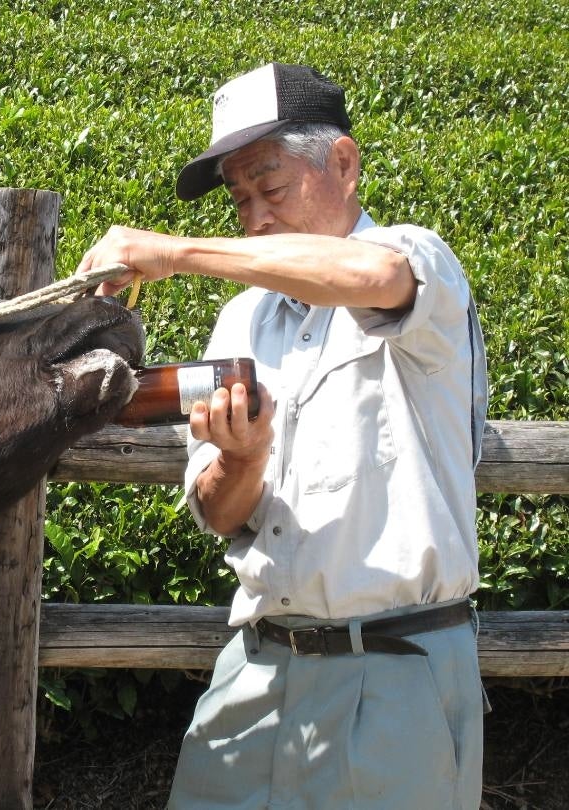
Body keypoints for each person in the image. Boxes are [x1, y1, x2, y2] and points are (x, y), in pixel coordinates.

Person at [77, 63, 489, 809]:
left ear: (344, 163)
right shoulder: (241, 321)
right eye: (241, 200)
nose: (255, 217)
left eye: (272, 189)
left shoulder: (416, 257)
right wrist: (244, 458)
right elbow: (220, 513)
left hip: (398, 673)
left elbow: (372, 275)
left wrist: (174, 252)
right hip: (258, 665)